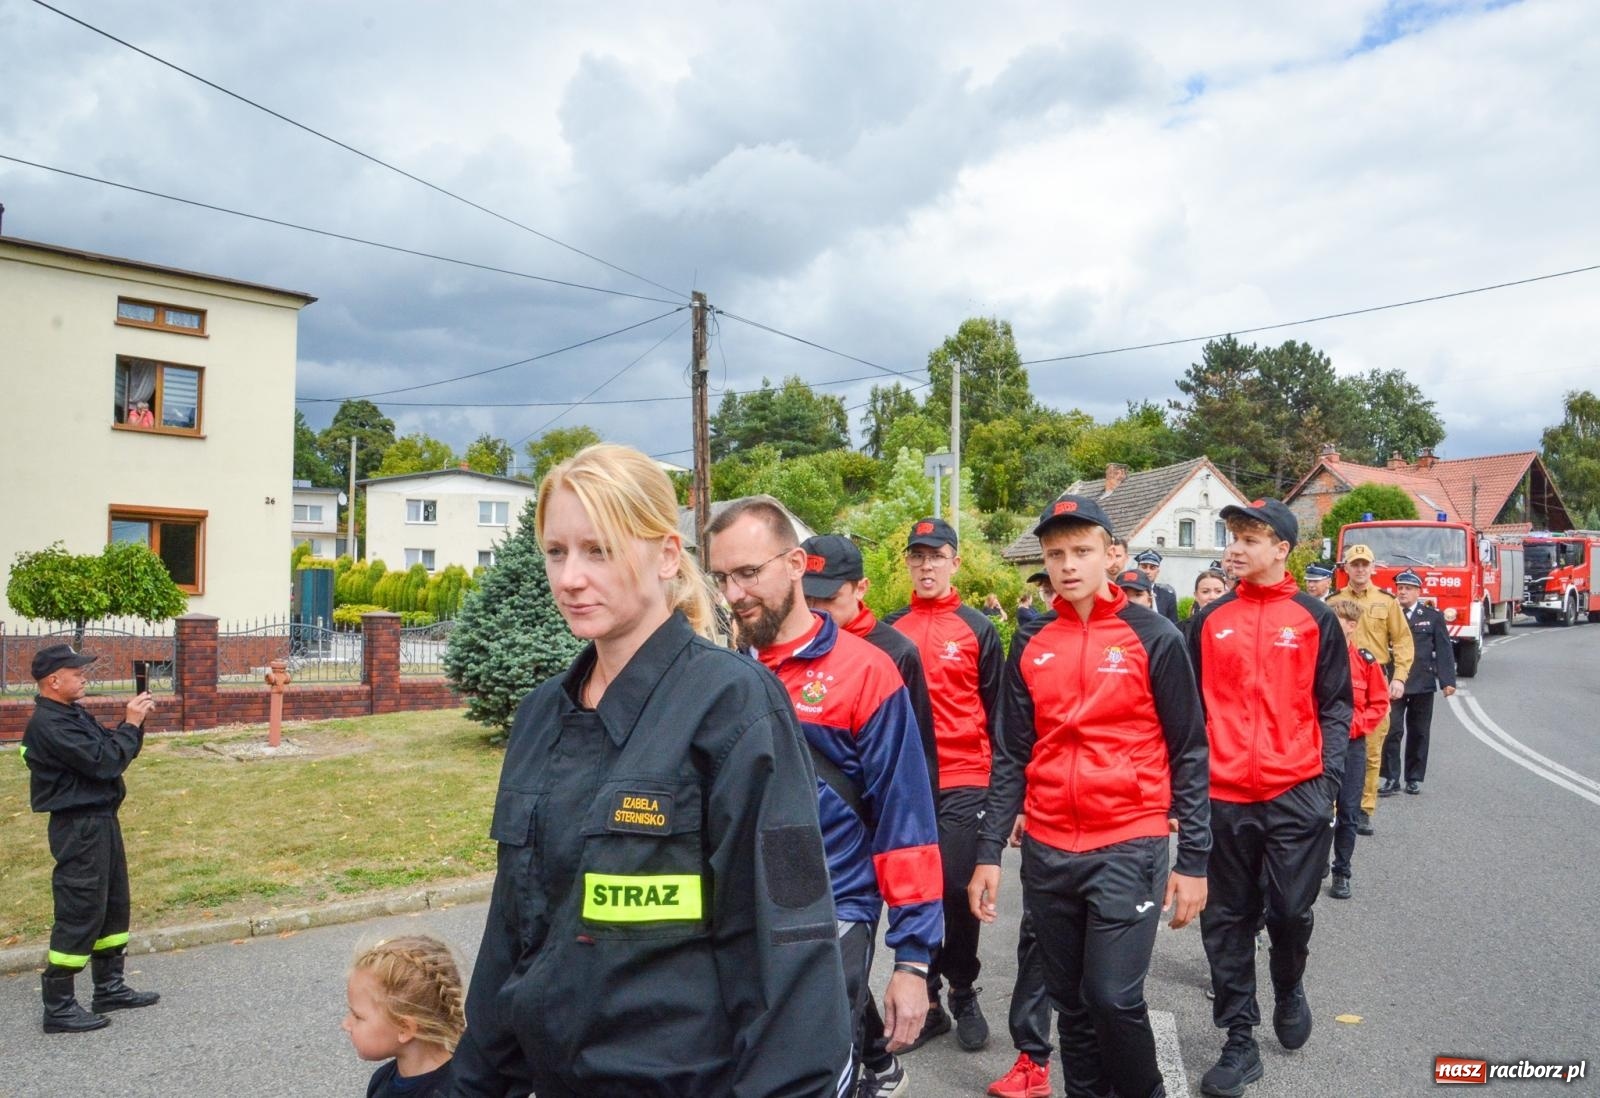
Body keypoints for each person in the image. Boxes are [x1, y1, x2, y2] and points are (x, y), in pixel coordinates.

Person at [449, 445, 851, 1097]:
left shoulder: (735, 706)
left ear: (668, 554)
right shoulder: (540, 718)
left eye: (599, 549)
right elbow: (510, 941)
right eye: (557, 552)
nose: (571, 577)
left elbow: (793, 952)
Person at [970, 494, 1210, 1098]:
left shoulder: (1153, 636)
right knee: (1070, 1004)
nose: (1068, 565)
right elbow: (1011, 755)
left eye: (1081, 551)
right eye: (1055, 554)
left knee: (1111, 996)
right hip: (1049, 848)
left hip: (1129, 842)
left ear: (1110, 554)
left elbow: (1189, 750)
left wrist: (1195, 862)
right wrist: (988, 852)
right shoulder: (1031, 642)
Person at [708, 502, 942, 1093]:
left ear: (793, 564)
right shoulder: (718, 676)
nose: (733, 592)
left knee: (814, 1073)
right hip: (738, 911)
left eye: (748, 573)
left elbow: (905, 818)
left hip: (833, 907)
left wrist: (913, 962)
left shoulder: (868, 672)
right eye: (721, 577)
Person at [1188, 499, 1351, 1096]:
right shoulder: (1208, 620)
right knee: (1225, 921)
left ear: (1281, 549)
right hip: (1222, 799)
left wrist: (1326, 780)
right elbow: (1188, 713)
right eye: (1233, 537)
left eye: (1250, 539)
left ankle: (1288, 984)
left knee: (1287, 912)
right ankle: (1238, 1039)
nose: (1235, 548)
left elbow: (1336, 704)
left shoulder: (1313, 618)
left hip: (1295, 795)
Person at [800, 532, 940, 1098]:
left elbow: (911, 769)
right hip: (792, 866)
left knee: (834, 991)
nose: (814, 612)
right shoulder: (762, 650)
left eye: (827, 600)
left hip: (861, 853)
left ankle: (864, 1066)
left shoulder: (890, 654)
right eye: (805, 597)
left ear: (859, 589)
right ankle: (876, 1057)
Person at [885, 517, 1005, 1053]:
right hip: (907, 782)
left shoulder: (979, 628)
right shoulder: (890, 630)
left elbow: (999, 714)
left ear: (955, 561)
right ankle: (927, 1000)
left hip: (964, 777)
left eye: (936, 556)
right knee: (914, 889)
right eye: (917, 557)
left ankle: (963, 988)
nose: (926, 565)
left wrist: (1009, 800)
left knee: (957, 888)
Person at [22, 644, 159, 1034]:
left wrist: (135, 723)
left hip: (101, 820)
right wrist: (130, 724)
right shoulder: (49, 724)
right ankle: (59, 1005)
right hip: (78, 825)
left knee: (113, 905)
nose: (84, 677)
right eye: (76, 672)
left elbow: (113, 750)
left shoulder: (71, 713)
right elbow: (106, 763)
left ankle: (109, 987)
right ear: (54, 680)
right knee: (80, 909)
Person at [1335, 544, 1414, 836]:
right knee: (1334, 746)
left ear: (1373, 568)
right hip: (1339, 676)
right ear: (1346, 568)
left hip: (1375, 678)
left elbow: (1403, 641)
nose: (1359, 569)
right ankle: (1333, 807)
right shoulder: (1334, 602)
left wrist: (1400, 677)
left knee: (1370, 749)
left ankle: (1363, 809)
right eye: (1354, 564)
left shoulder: (1387, 601)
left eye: (1364, 564)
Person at [1325, 599, 1392, 901]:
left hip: (1352, 745)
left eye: (1338, 623)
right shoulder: (1317, 660)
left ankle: (1342, 872)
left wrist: (1355, 725)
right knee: (1318, 812)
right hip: (1320, 745)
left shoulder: (1366, 661)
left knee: (1349, 812)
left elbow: (1379, 703)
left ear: (1351, 627)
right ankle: (1314, 867)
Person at [345, 935, 464, 1098]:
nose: (345, 1024)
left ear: (405, 1028)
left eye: (357, 1016)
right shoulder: (382, 1079)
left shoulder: (458, 1091)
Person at [1380, 571, 1456, 797]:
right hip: (1395, 681)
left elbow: (1443, 649)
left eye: (1407, 588)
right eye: (1400, 587)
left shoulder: (1432, 616)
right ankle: (1391, 777)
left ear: (1418, 592)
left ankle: (1413, 778)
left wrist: (1447, 681)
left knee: (1419, 731)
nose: (1402, 591)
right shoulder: (1388, 614)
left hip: (1422, 682)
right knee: (1392, 729)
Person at [1183, 569, 1229, 646]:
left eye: (1218, 591)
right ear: (1196, 595)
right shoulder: (1182, 629)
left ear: (1225, 594)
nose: (1212, 597)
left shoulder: (1237, 625)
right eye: (1205, 591)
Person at [1134, 549, 1180, 623]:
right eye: (1144, 567)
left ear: (1158, 571)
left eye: (1152, 568)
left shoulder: (1167, 596)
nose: (1147, 571)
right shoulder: (1129, 593)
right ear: (1137, 569)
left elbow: (1174, 625)